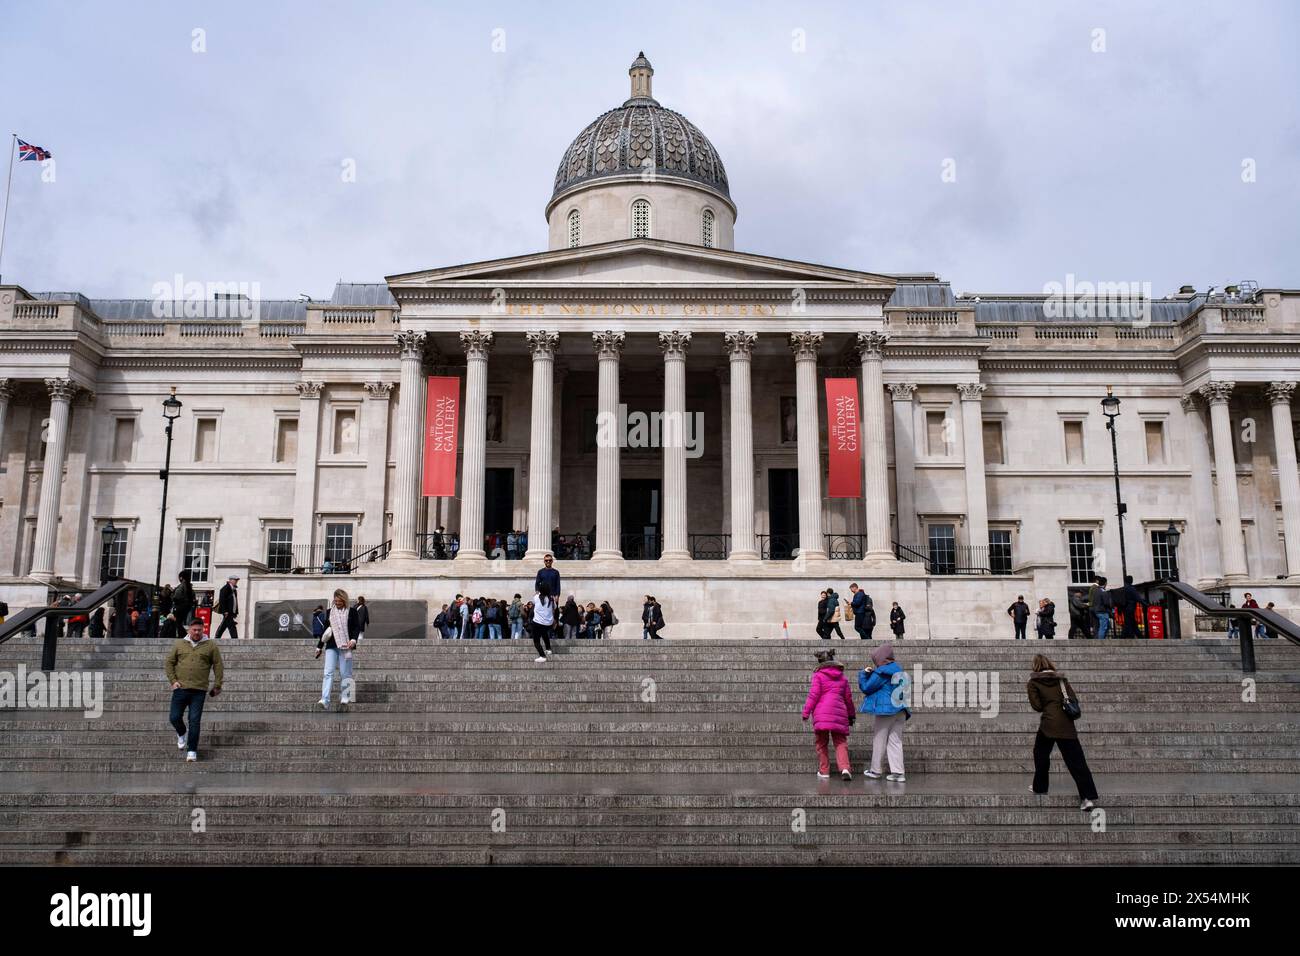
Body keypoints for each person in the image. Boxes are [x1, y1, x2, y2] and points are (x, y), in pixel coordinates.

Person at [1027, 654, 1099, 810]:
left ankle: (1040, 787)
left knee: (1041, 755)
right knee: (1077, 763)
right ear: (1049, 664)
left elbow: (1037, 706)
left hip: (1048, 725)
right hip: (1067, 725)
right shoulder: (1061, 680)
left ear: (1035, 666)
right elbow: (1073, 699)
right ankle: (1087, 798)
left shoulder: (1034, 683)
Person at [165, 618, 224, 763]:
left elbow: (218, 665)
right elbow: (169, 662)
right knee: (174, 717)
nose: (197, 632)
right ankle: (182, 732)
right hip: (181, 688)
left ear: (203, 629)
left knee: (194, 721)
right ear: (189, 630)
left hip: (199, 690)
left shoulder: (210, 645)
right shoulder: (179, 644)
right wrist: (173, 681)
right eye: (194, 630)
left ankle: (192, 750)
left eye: (199, 630)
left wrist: (217, 684)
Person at [800, 649, 856, 781]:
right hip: (839, 713)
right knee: (840, 742)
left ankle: (824, 771)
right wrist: (851, 714)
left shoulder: (818, 676)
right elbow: (848, 698)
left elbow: (813, 696)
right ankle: (845, 768)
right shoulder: (842, 677)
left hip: (822, 714)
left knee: (821, 742)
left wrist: (806, 712)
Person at [859, 642, 908, 782]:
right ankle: (898, 773)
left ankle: (875, 770)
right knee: (895, 741)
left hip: (886, 710)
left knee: (879, 739)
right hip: (900, 709)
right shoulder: (898, 669)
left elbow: (867, 688)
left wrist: (864, 674)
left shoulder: (881, 672)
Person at [315, 588, 360, 710]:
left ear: (344, 600)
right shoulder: (329, 612)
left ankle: (346, 698)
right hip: (331, 645)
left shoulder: (352, 612)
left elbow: (356, 628)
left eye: (339, 601)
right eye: (335, 601)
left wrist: (354, 640)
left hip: (346, 645)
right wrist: (319, 646)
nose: (337, 603)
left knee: (346, 673)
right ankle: (324, 700)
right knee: (328, 672)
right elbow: (325, 631)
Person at [530, 586, 556, 662]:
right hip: (548, 623)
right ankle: (548, 649)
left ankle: (542, 656)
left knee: (536, 641)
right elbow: (554, 607)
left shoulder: (536, 597)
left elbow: (533, 602)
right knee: (544, 634)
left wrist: (536, 593)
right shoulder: (551, 599)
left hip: (538, 622)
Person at [215, 575, 240, 640]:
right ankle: (235, 639)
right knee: (231, 625)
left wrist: (235, 612)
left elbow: (234, 601)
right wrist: (224, 611)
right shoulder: (225, 588)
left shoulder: (233, 589)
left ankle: (217, 637)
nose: (236, 581)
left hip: (231, 611)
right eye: (235, 580)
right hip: (227, 611)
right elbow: (222, 600)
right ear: (230, 580)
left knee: (224, 625)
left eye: (237, 580)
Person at [1088, 576, 1112, 640]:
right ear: (1105, 583)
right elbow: (1106, 602)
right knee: (1103, 627)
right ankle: (1100, 641)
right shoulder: (1103, 591)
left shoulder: (1096, 590)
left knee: (1106, 626)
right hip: (1102, 611)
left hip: (1097, 610)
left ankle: (1100, 638)